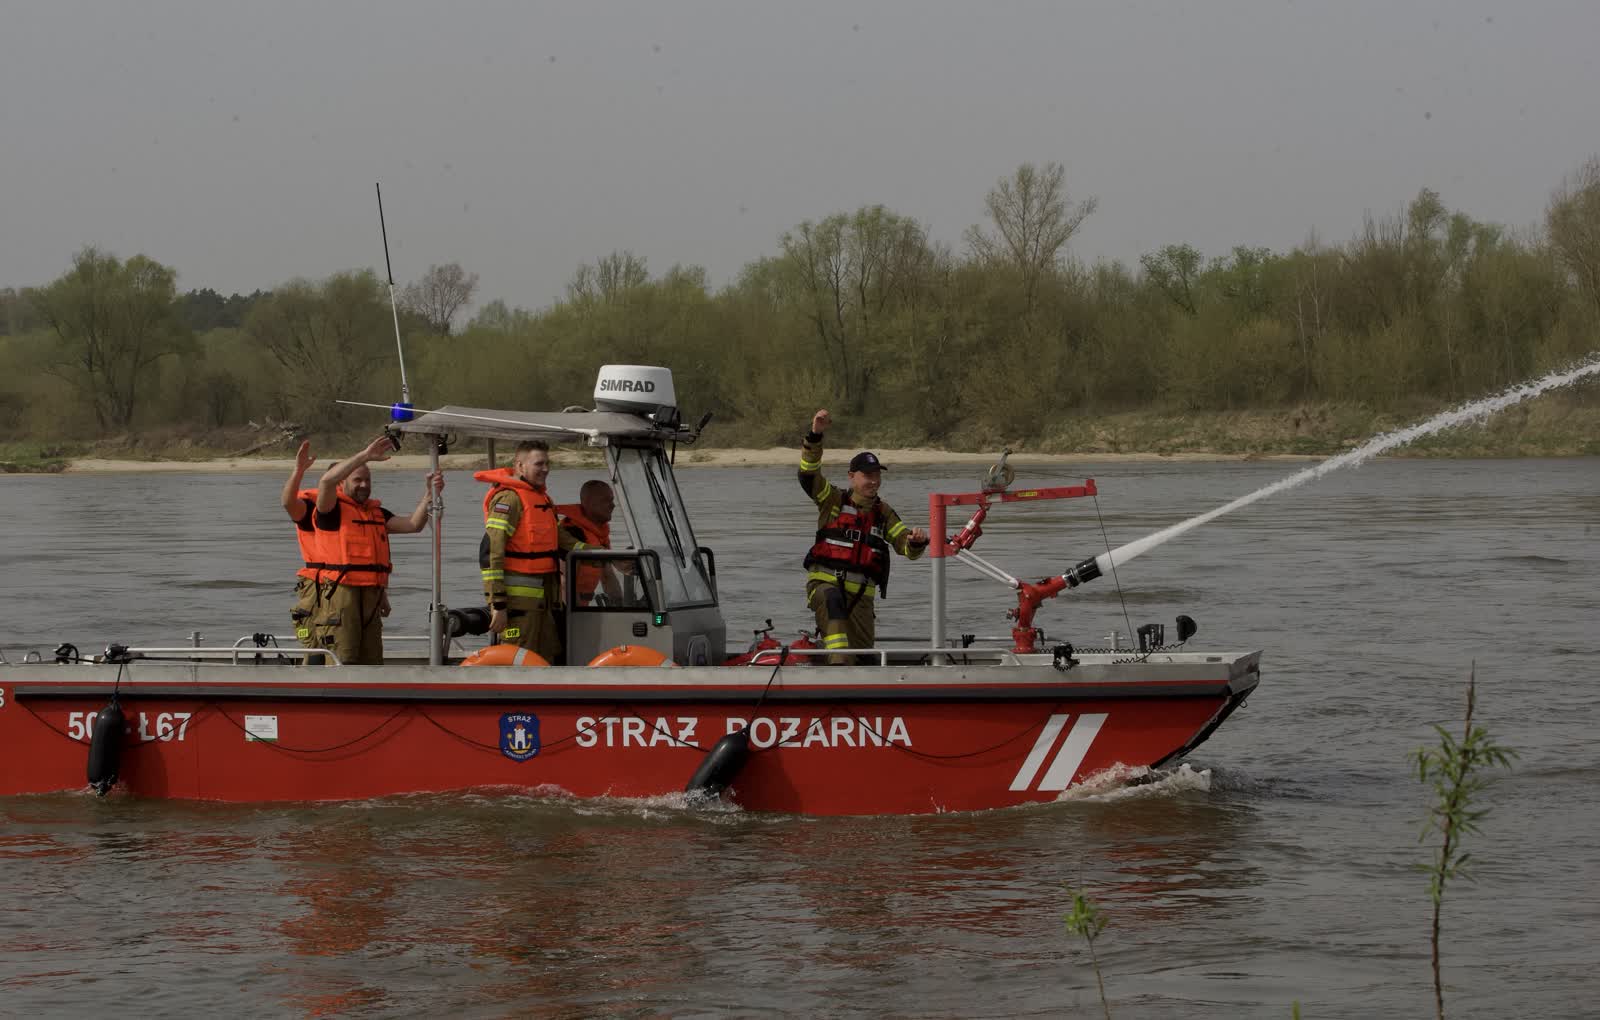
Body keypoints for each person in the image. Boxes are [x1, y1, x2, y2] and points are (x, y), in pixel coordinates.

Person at [798, 409, 928, 664]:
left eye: (877, 476)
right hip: (825, 589)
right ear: (852, 477)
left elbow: (904, 545)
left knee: (865, 660)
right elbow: (808, 474)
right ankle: (838, 677)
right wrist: (815, 435)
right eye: (868, 476)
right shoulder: (832, 500)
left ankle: (856, 689)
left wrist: (915, 542)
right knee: (833, 612)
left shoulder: (884, 513)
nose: (874, 481)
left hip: (862, 602)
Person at [312, 435, 441, 665]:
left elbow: (413, 525)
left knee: (372, 659)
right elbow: (325, 482)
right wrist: (365, 455)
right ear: (342, 482)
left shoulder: (377, 513)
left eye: (368, 480)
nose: (364, 485)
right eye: (357, 480)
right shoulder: (330, 509)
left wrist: (428, 496)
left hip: (371, 596)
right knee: (345, 659)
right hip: (342, 597)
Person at [475, 440, 589, 663]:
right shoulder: (509, 499)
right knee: (517, 659)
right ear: (520, 465)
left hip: (544, 605)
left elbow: (563, 541)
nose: (545, 469)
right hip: (517, 609)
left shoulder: (542, 500)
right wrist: (497, 605)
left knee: (547, 658)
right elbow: (491, 552)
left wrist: (600, 556)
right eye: (539, 464)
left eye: (548, 463)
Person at [281, 439, 328, 649]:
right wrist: (299, 469)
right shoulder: (310, 510)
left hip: (348, 589)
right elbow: (288, 503)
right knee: (312, 640)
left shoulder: (358, 513)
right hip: (316, 585)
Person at [557, 480, 624, 606]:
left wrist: (620, 606)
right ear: (590, 504)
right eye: (606, 501)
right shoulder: (572, 532)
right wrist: (575, 616)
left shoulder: (600, 534)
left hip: (584, 607)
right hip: (566, 609)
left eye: (612, 500)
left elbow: (607, 576)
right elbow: (565, 582)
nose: (613, 505)